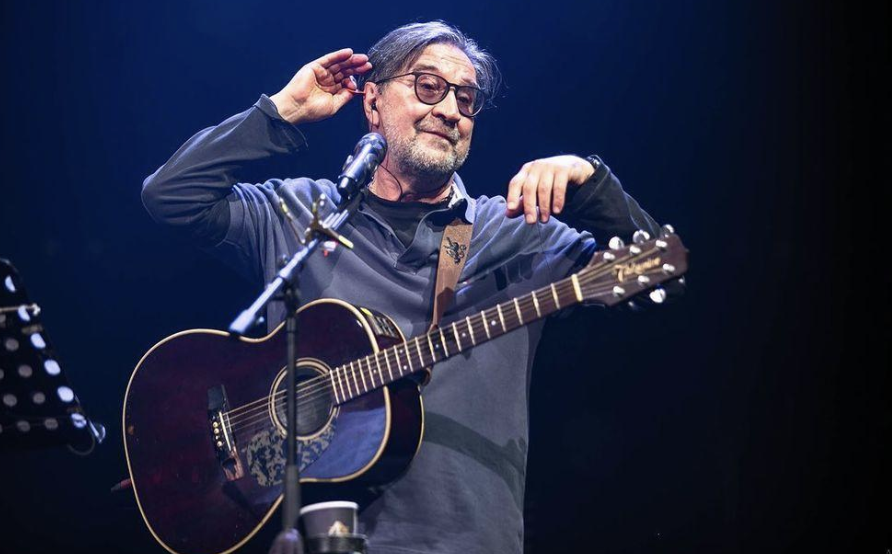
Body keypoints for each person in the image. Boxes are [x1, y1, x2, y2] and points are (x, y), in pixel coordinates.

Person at [142, 20, 659, 554]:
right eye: (428, 87)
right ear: (372, 102)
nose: (451, 110)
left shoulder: (517, 230)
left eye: (466, 98)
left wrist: (589, 180)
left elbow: (655, 273)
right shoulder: (300, 215)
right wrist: (281, 112)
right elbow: (170, 196)